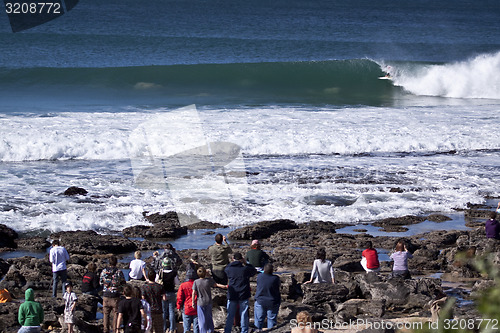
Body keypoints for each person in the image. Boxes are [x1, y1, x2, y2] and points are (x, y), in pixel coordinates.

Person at [224, 252, 257, 333]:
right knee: (244, 315)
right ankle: (244, 331)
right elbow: (254, 270)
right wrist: (246, 263)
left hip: (233, 294)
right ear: (241, 259)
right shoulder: (245, 269)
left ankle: (227, 331)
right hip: (243, 294)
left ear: (233, 259)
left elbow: (226, 269)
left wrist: (232, 263)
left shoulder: (229, 269)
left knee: (230, 315)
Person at [192, 267, 227, 333]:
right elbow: (216, 284)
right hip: (208, 301)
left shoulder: (196, 282)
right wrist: (225, 286)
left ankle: (203, 331)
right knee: (209, 317)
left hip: (200, 302)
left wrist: (193, 302)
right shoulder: (208, 280)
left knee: (202, 319)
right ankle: (210, 330)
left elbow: (194, 292)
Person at [100, 255, 126, 333]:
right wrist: (120, 288)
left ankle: (105, 330)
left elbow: (101, 282)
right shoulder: (119, 272)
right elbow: (123, 283)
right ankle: (115, 330)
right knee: (116, 314)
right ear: (116, 262)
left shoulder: (104, 271)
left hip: (106, 295)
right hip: (115, 295)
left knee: (106, 314)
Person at [254, 264, 280, 330]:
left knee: (258, 321)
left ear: (264, 270)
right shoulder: (276, 278)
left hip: (260, 301)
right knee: (271, 320)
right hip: (272, 301)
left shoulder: (259, 276)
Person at [156, 257, 180, 333]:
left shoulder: (160, 272)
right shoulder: (173, 272)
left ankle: (163, 328)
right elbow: (177, 283)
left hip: (162, 293)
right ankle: (172, 328)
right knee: (171, 311)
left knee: (163, 311)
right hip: (171, 293)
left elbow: (156, 281)